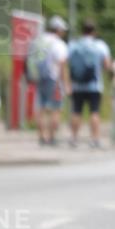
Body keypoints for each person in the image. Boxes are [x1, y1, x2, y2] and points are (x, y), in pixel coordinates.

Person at [68, 19, 112, 149]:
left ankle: (74, 138)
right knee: (94, 112)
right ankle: (95, 139)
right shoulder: (100, 45)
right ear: (94, 32)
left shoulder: (74, 44)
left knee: (76, 111)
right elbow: (107, 64)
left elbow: (67, 61)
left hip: (77, 84)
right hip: (94, 85)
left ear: (83, 30)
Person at [27, 15, 70, 146]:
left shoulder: (37, 41)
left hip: (38, 78)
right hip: (53, 79)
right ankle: (51, 138)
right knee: (55, 109)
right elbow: (62, 64)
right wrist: (65, 84)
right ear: (58, 29)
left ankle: (41, 137)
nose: (63, 32)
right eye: (62, 29)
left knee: (40, 108)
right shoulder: (58, 43)